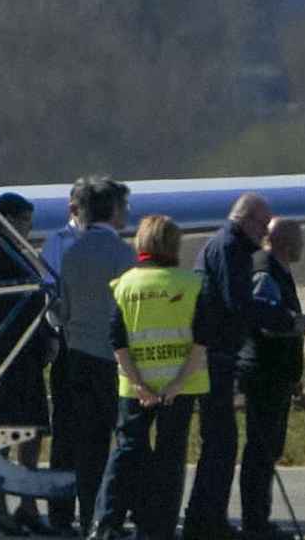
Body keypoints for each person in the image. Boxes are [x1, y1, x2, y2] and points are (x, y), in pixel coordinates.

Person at [183, 192, 303, 540]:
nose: (265, 233)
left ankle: (205, 519)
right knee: (221, 443)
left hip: (218, 354)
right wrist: (285, 320)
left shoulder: (225, 246)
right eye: (262, 225)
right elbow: (239, 303)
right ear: (247, 220)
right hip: (216, 355)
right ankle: (207, 522)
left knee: (221, 443)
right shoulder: (232, 249)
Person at [87, 215, 209, 540]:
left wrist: (140, 384)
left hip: (135, 387)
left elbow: (117, 341)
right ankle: (159, 527)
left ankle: (106, 523)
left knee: (126, 450)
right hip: (179, 388)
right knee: (170, 455)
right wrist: (176, 385)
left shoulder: (125, 285)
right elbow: (202, 340)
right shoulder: (192, 284)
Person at [58, 176, 136, 535]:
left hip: (77, 356)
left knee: (87, 446)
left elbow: (62, 310)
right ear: (115, 210)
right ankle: (112, 518)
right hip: (112, 361)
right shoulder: (123, 254)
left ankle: (89, 517)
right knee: (121, 444)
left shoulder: (71, 253)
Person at [0, 192, 53, 537]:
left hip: (26, 353)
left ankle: (27, 503)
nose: (28, 227)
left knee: (31, 432)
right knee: (2, 432)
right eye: (23, 220)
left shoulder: (16, 253)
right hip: (6, 351)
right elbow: (13, 301)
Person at [239, 218, 305, 540]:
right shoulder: (264, 269)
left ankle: (258, 519)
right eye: (298, 239)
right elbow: (265, 317)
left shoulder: (278, 268)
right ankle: (255, 522)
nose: (303, 245)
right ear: (284, 242)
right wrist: (297, 323)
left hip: (276, 375)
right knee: (261, 451)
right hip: (264, 374)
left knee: (268, 449)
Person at [41, 178, 88, 537]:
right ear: (74, 211)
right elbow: (52, 298)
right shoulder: (58, 243)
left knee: (95, 433)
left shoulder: (106, 242)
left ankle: (89, 508)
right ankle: (60, 512)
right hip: (70, 348)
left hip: (98, 351)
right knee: (67, 435)